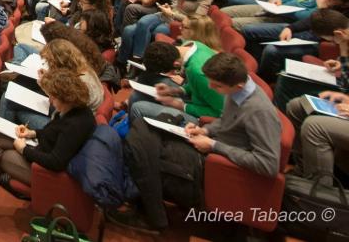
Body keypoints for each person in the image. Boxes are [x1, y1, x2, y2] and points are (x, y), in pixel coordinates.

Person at [110, 53, 282, 233]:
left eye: (216, 85)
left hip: (217, 166)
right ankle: (147, 207)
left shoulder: (259, 111)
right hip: (211, 148)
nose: (210, 87)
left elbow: (268, 164)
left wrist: (214, 145)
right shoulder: (240, 90)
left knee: (140, 151)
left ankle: (151, 217)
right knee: (143, 133)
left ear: (238, 85)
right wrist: (205, 130)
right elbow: (225, 121)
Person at [0, 70, 96, 222]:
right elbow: (54, 133)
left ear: (65, 97)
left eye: (53, 97)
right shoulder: (74, 110)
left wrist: (24, 149)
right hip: (41, 150)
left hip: (45, 172)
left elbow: (56, 162)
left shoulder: (75, 124)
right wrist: (33, 133)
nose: (50, 100)